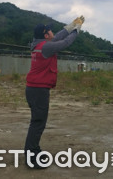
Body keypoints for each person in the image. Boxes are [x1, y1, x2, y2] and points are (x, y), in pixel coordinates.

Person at [24, 16, 84, 169]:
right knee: (38, 123)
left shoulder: (41, 44)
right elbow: (65, 42)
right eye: (49, 30)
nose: (52, 32)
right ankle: (32, 157)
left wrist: (70, 26)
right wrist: (76, 30)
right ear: (45, 35)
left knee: (37, 122)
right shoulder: (46, 47)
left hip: (34, 89)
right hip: (38, 91)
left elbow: (58, 36)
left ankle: (34, 151)